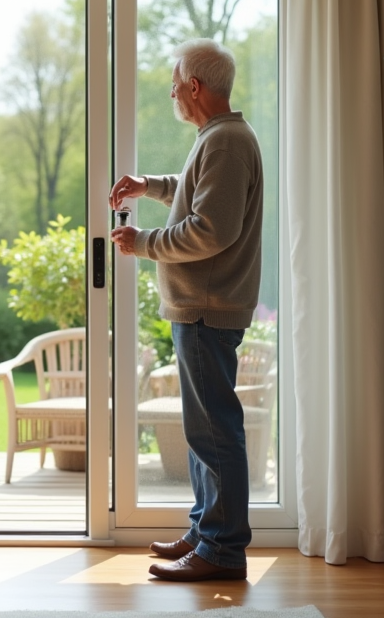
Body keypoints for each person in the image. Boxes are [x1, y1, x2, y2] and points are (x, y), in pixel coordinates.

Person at [109, 37, 263, 583]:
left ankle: (222, 550)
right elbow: (195, 196)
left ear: (194, 86)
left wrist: (142, 242)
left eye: (174, 82)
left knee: (214, 431)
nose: (171, 91)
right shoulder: (218, 139)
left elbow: (209, 229)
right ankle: (205, 530)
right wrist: (149, 185)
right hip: (200, 305)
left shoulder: (223, 143)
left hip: (205, 305)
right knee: (204, 429)